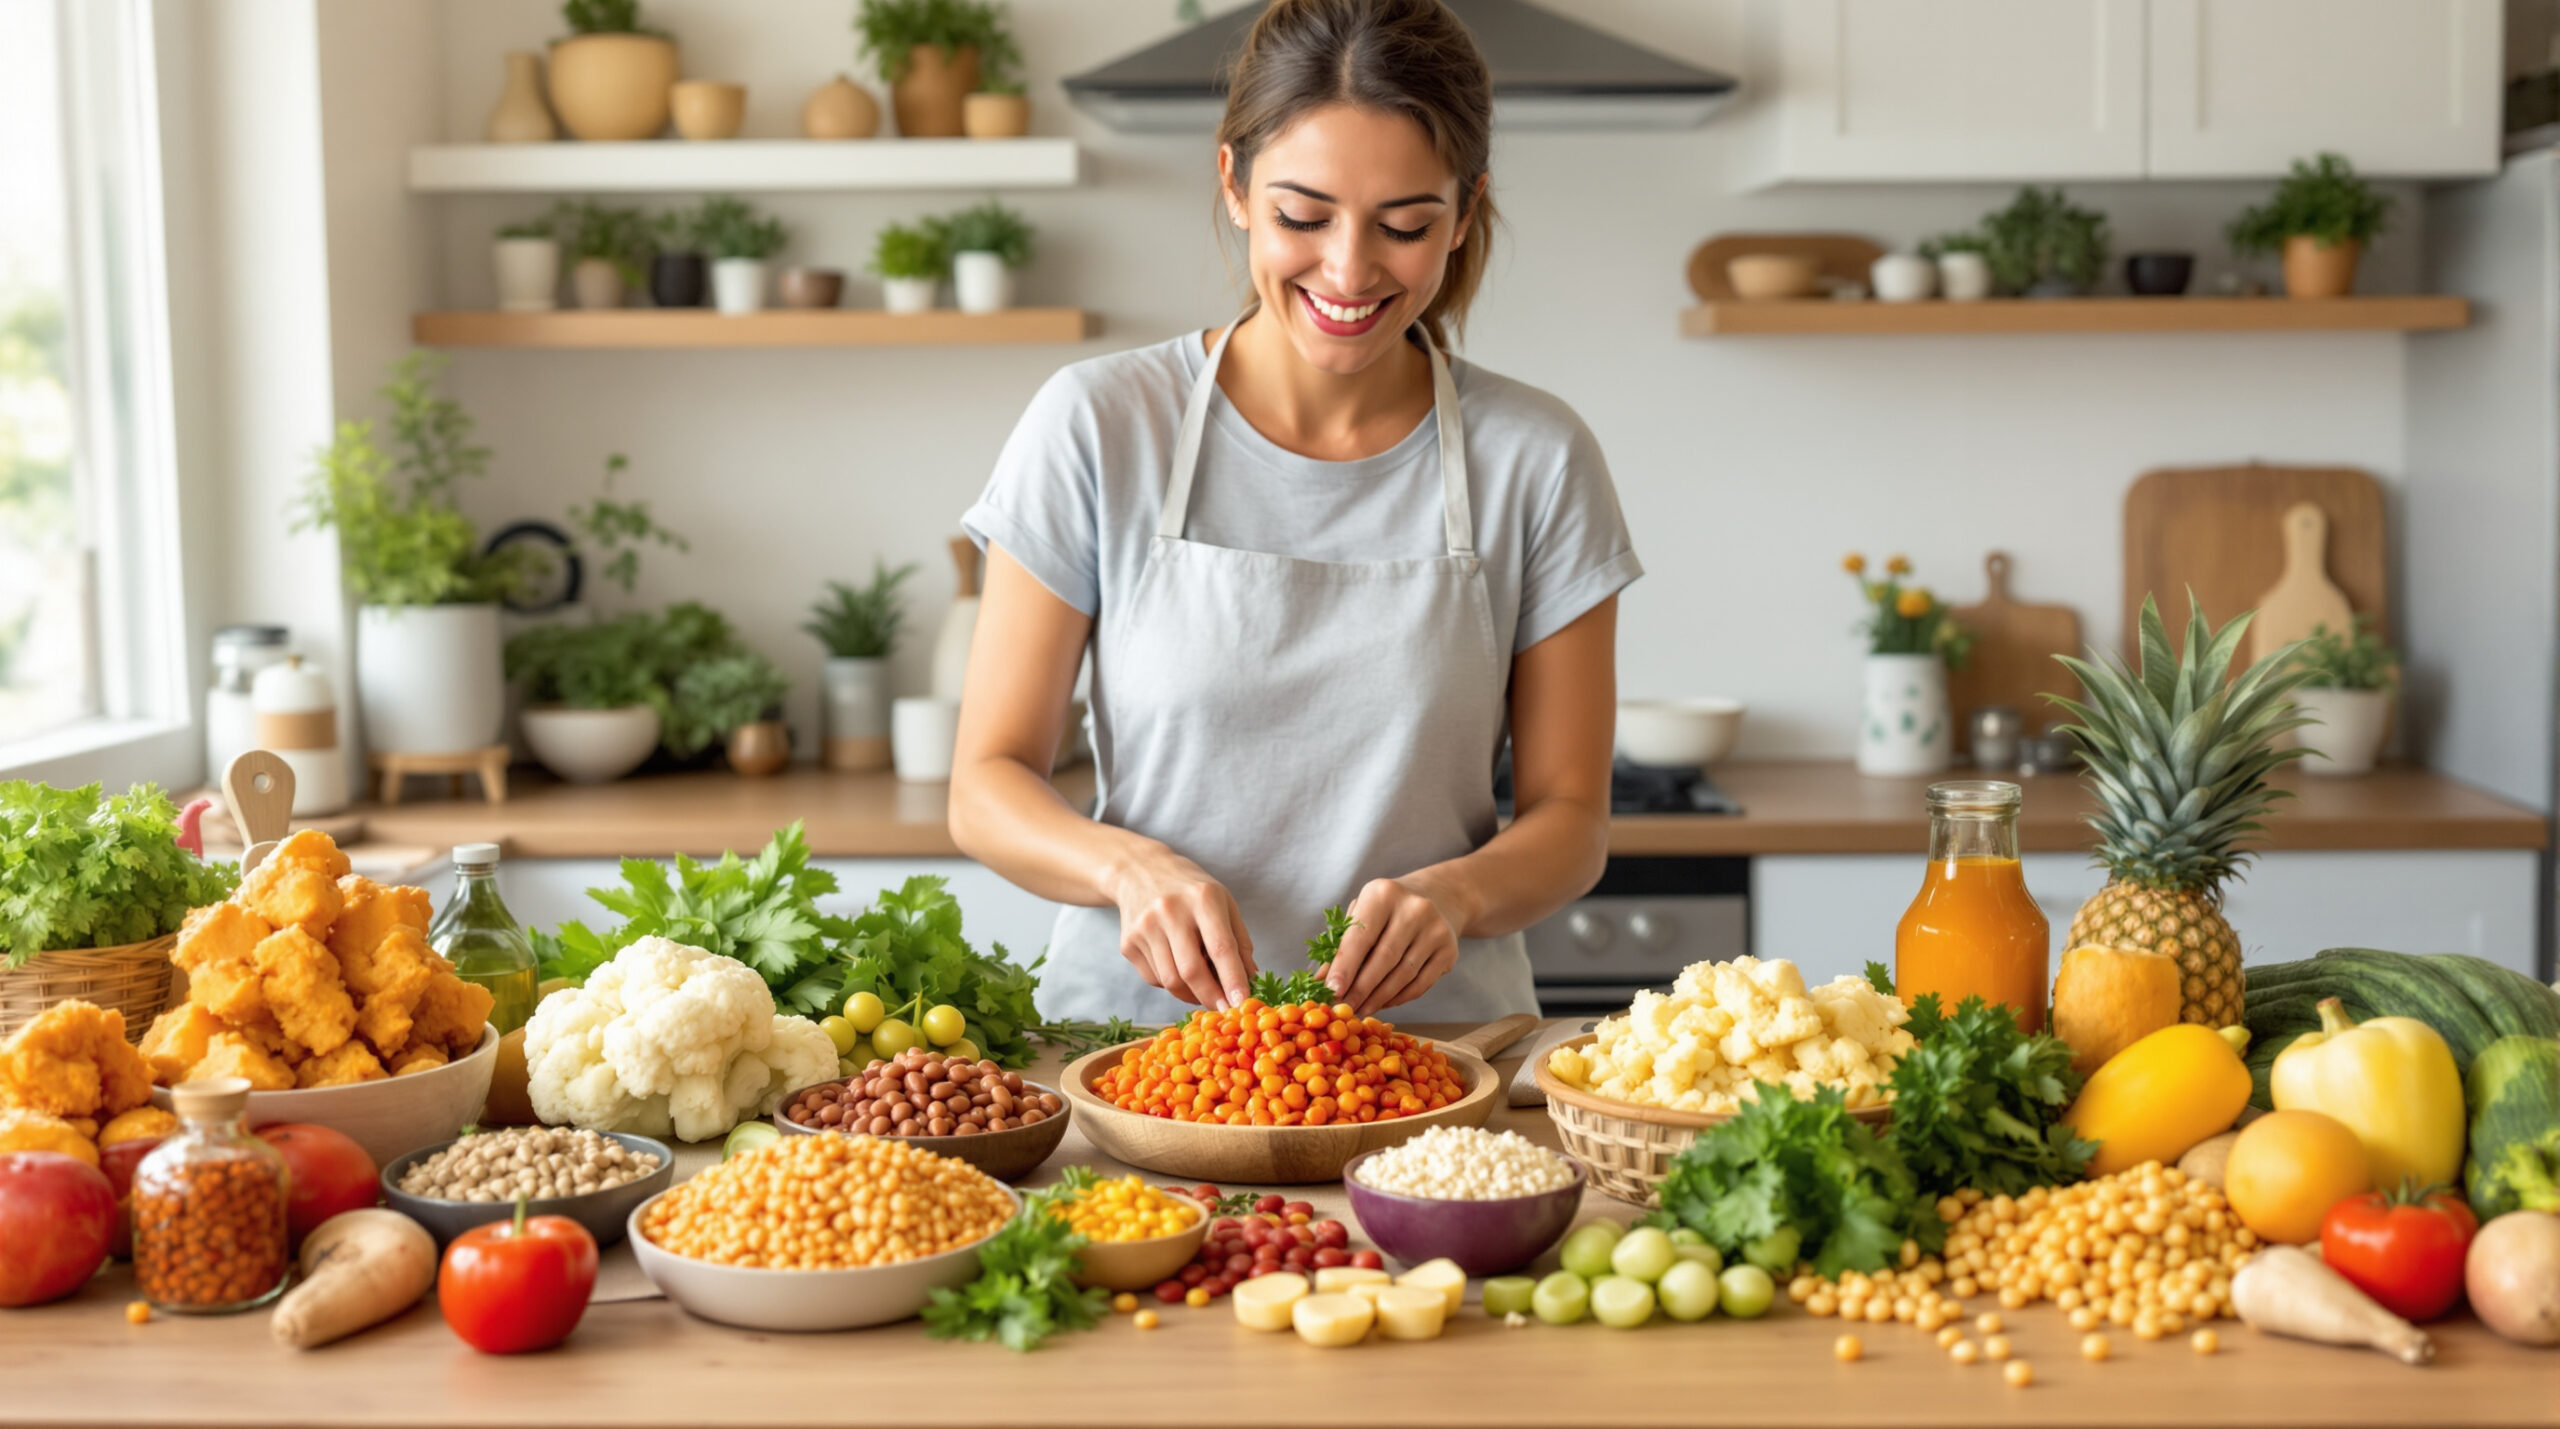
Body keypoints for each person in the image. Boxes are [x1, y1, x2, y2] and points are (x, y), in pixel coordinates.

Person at [950, 0, 1639, 1026]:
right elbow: (986, 784)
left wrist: (1459, 893)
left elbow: (1572, 818)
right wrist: (1126, 869)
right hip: (1133, 1050)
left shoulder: (1535, 457)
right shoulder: (1099, 423)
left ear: (1465, 211)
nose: (1349, 270)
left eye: (1404, 225)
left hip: (1434, 1058)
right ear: (1233, 185)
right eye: (1303, 217)